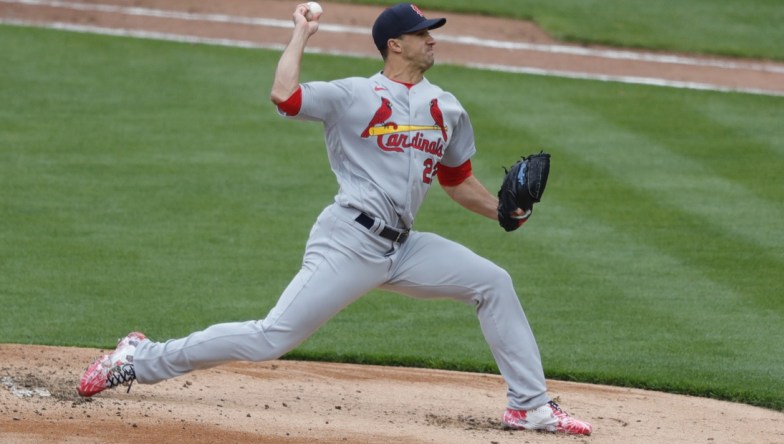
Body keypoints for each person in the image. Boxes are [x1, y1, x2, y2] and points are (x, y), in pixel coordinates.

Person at [77, 2, 591, 436]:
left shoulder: (446, 109)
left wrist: (504, 211)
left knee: (492, 283)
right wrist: (301, 33)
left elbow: (456, 181)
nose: (432, 41)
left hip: (405, 248)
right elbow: (287, 97)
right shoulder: (353, 96)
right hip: (349, 240)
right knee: (270, 337)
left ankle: (529, 406)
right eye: (422, 34)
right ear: (395, 44)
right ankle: (137, 358)